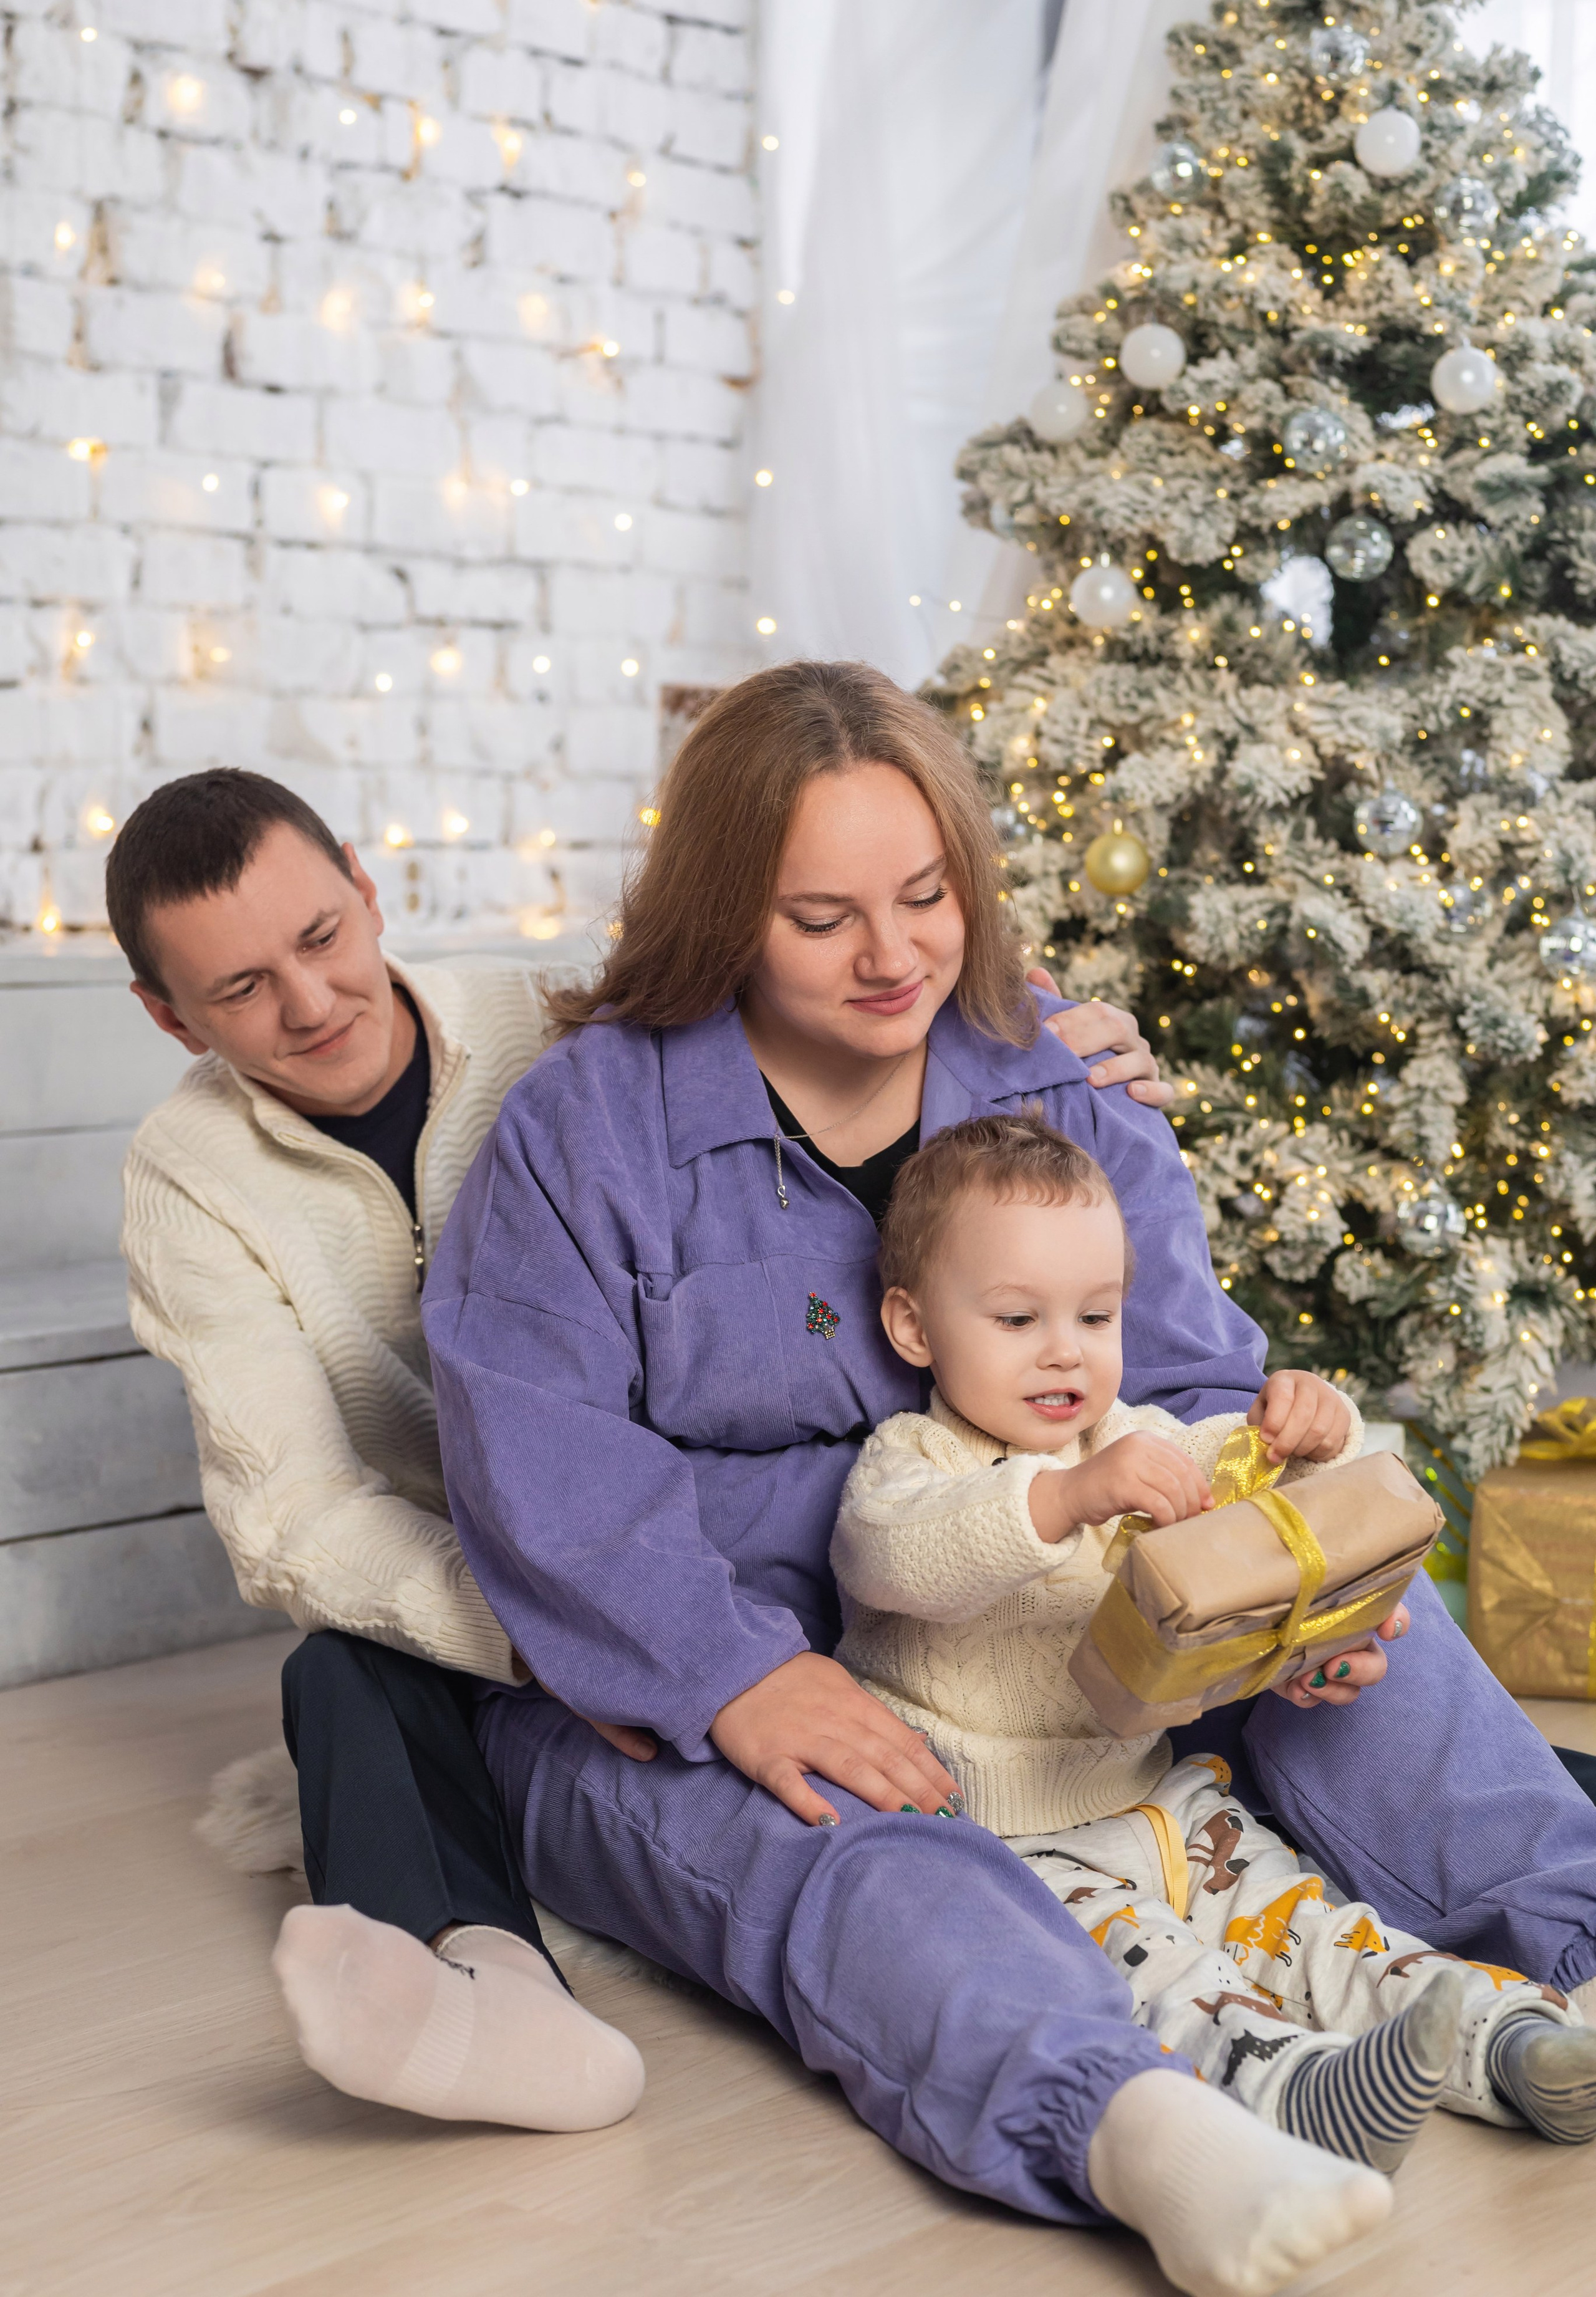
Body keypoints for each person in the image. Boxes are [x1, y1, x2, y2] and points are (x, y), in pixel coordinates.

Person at [421, 658, 1596, 2297]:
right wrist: (731, 1677)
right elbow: (531, 1456)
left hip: (1082, 1618)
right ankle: (1136, 2129)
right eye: (821, 916)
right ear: (717, 909)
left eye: (925, 896)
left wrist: (1286, 1593)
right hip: (724, 1664)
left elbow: (1187, 1383)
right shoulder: (587, 1130)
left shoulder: (1059, 1074)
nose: (893, 954)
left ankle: (1578, 1951)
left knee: (1383, 1666)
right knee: (855, 1837)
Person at [107, 763, 1168, 2131]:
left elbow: (834, 1001)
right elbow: (296, 1518)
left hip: (690, 1513)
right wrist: (562, 1631)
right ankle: (481, 1989)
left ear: (369, 896)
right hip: (474, 1595)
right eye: (241, 990)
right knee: (343, 1677)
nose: (310, 1004)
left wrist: (1049, 1046)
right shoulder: (186, 1179)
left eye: (320, 940)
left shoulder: (552, 1024)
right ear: (163, 1012)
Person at [831, 1112, 1596, 2173]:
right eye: (1017, 1318)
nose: (1066, 1349)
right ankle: (1299, 2091)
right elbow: (894, 1556)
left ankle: (1506, 2038)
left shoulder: (1133, 1437)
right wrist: (1061, 1497)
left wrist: (1312, 1427)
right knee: (1173, 1980)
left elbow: (1248, 1481)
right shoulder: (911, 1460)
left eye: (1096, 1315)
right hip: (1011, 1845)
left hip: (1164, 1797)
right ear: (914, 1328)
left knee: (1316, 1924)